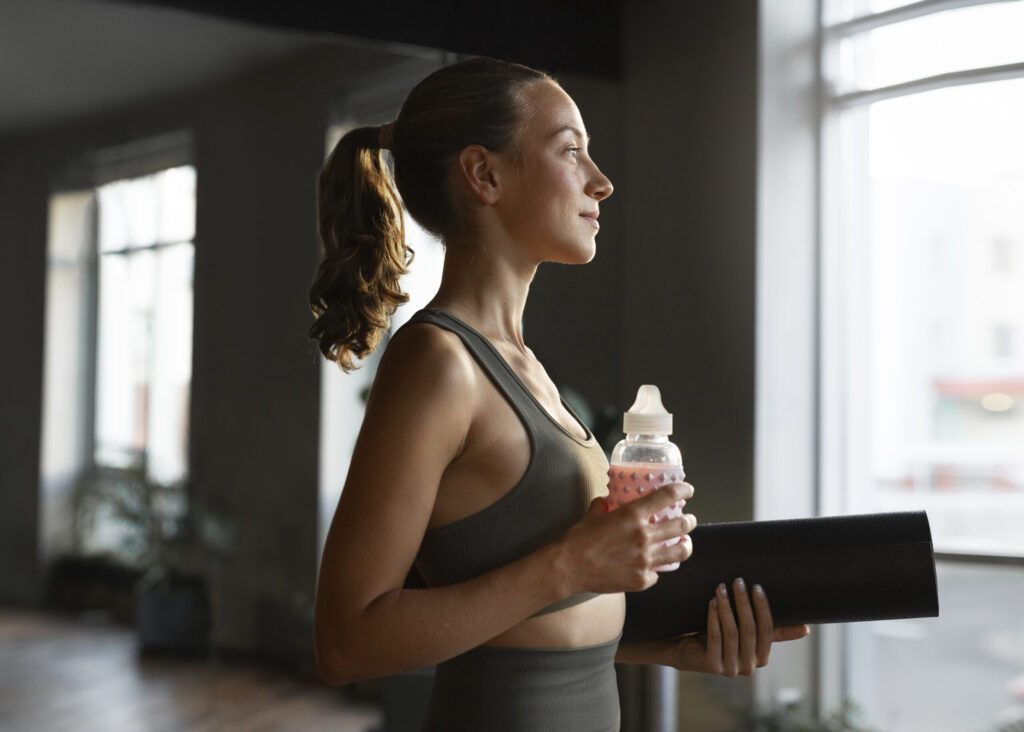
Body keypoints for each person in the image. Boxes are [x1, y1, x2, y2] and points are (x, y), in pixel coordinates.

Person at [309, 56, 809, 731]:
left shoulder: (527, 370)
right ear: (484, 174)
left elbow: (517, 625)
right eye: (571, 152)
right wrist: (573, 563)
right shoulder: (438, 364)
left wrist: (668, 645)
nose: (601, 183)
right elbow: (346, 642)